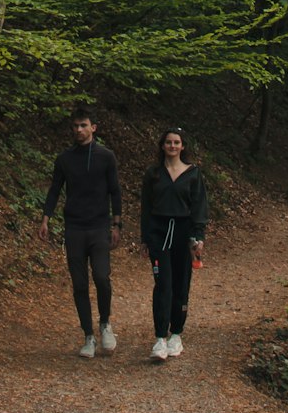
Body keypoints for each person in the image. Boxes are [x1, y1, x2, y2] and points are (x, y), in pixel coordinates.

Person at [38, 104, 122, 358]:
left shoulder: (106, 157)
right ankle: (88, 335)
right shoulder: (64, 159)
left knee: (101, 276)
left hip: (99, 226)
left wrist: (117, 224)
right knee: (79, 283)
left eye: (83, 125)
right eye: (75, 126)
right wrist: (45, 219)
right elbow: (55, 190)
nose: (79, 130)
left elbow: (115, 191)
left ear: (93, 128)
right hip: (74, 226)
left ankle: (105, 323)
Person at [140, 127, 208, 362]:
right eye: (168, 142)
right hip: (159, 234)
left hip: (183, 234)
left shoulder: (193, 174)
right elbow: (146, 207)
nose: (172, 146)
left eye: (176, 142)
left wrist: (198, 236)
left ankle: (176, 334)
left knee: (181, 284)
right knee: (162, 285)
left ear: (182, 146)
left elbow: (199, 206)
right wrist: (145, 237)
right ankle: (160, 337)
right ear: (162, 146)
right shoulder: (154, 174)